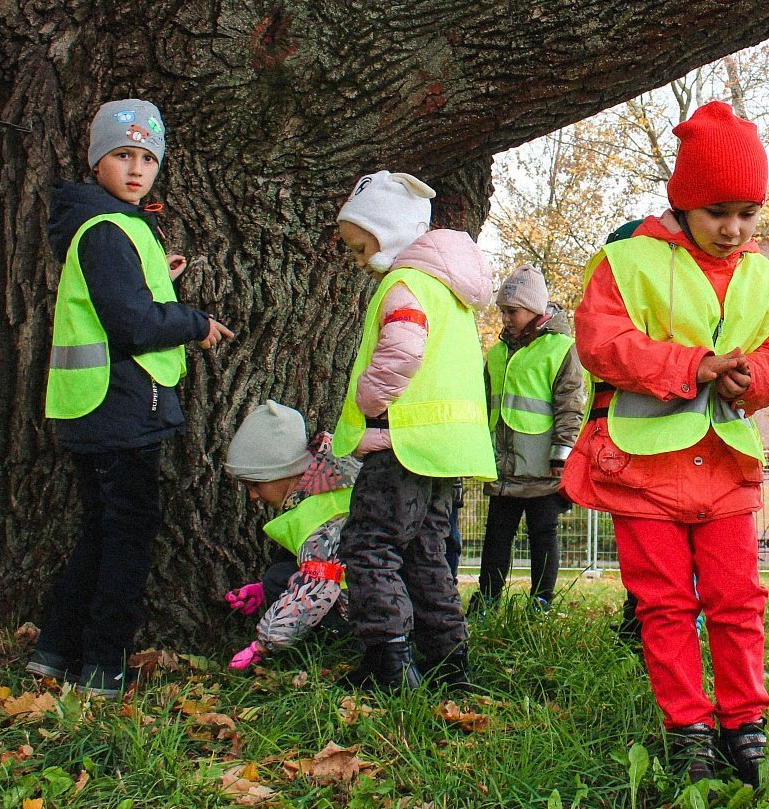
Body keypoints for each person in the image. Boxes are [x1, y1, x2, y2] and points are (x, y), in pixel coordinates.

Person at [563, 101, 769, 786]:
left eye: (747, 213)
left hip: (725, 466)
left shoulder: (768, 279)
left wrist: (749, 381)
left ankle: (744, 724)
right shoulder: (626, 261)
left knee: (737, 599)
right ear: (684, 202)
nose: (733, 229)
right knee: (664, 605)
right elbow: (603, 344)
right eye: (717, 211)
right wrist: (694, 366)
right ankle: (687, 726)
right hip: (643, 464)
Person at [27, 98, 233, 699]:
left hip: (100, 405)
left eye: (148, 157)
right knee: (127, 540)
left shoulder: (113, 225)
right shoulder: (108, 229)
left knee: (100, 531)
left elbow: (122, 301)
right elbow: (132, 323)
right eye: (122, 155)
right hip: (117, 409)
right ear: (97, 163)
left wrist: (157, 283)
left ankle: (57, 649)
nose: (137, 168)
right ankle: (102, 665)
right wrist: (193, 321)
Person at [329, 171, 496, 692]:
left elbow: (403, 349)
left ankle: (389, 663)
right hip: (445, 449)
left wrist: (369, 401)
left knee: (370, 546)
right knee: (427, 554)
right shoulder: (449, 289)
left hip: (403, 442)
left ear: (390, 232)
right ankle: (450, 661)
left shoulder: (404, 284)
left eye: (361, 247)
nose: (358, 260)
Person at [471, 264, 586, 612]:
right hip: (504, 464)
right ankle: (488, 597)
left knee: (543, 536)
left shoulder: (562, 349)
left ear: (535, 310)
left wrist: (561, 455)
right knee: (496, 536)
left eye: (512, 311)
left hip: (543, 466)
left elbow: (570, 405)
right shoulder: (496, 353)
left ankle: (541, 601)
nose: (505, 318)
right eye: (502, 311)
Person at [222, 401, 359, 669]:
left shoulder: (317, 517)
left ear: (283, 472)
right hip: (377, 599)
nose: (252, 495)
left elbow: (317, 588)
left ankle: (325, 655)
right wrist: (263, 592)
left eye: (256, 484)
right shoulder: (332, 486)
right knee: (279, 573)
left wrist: (262, 645)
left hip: (361, 615)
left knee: (279, 577)